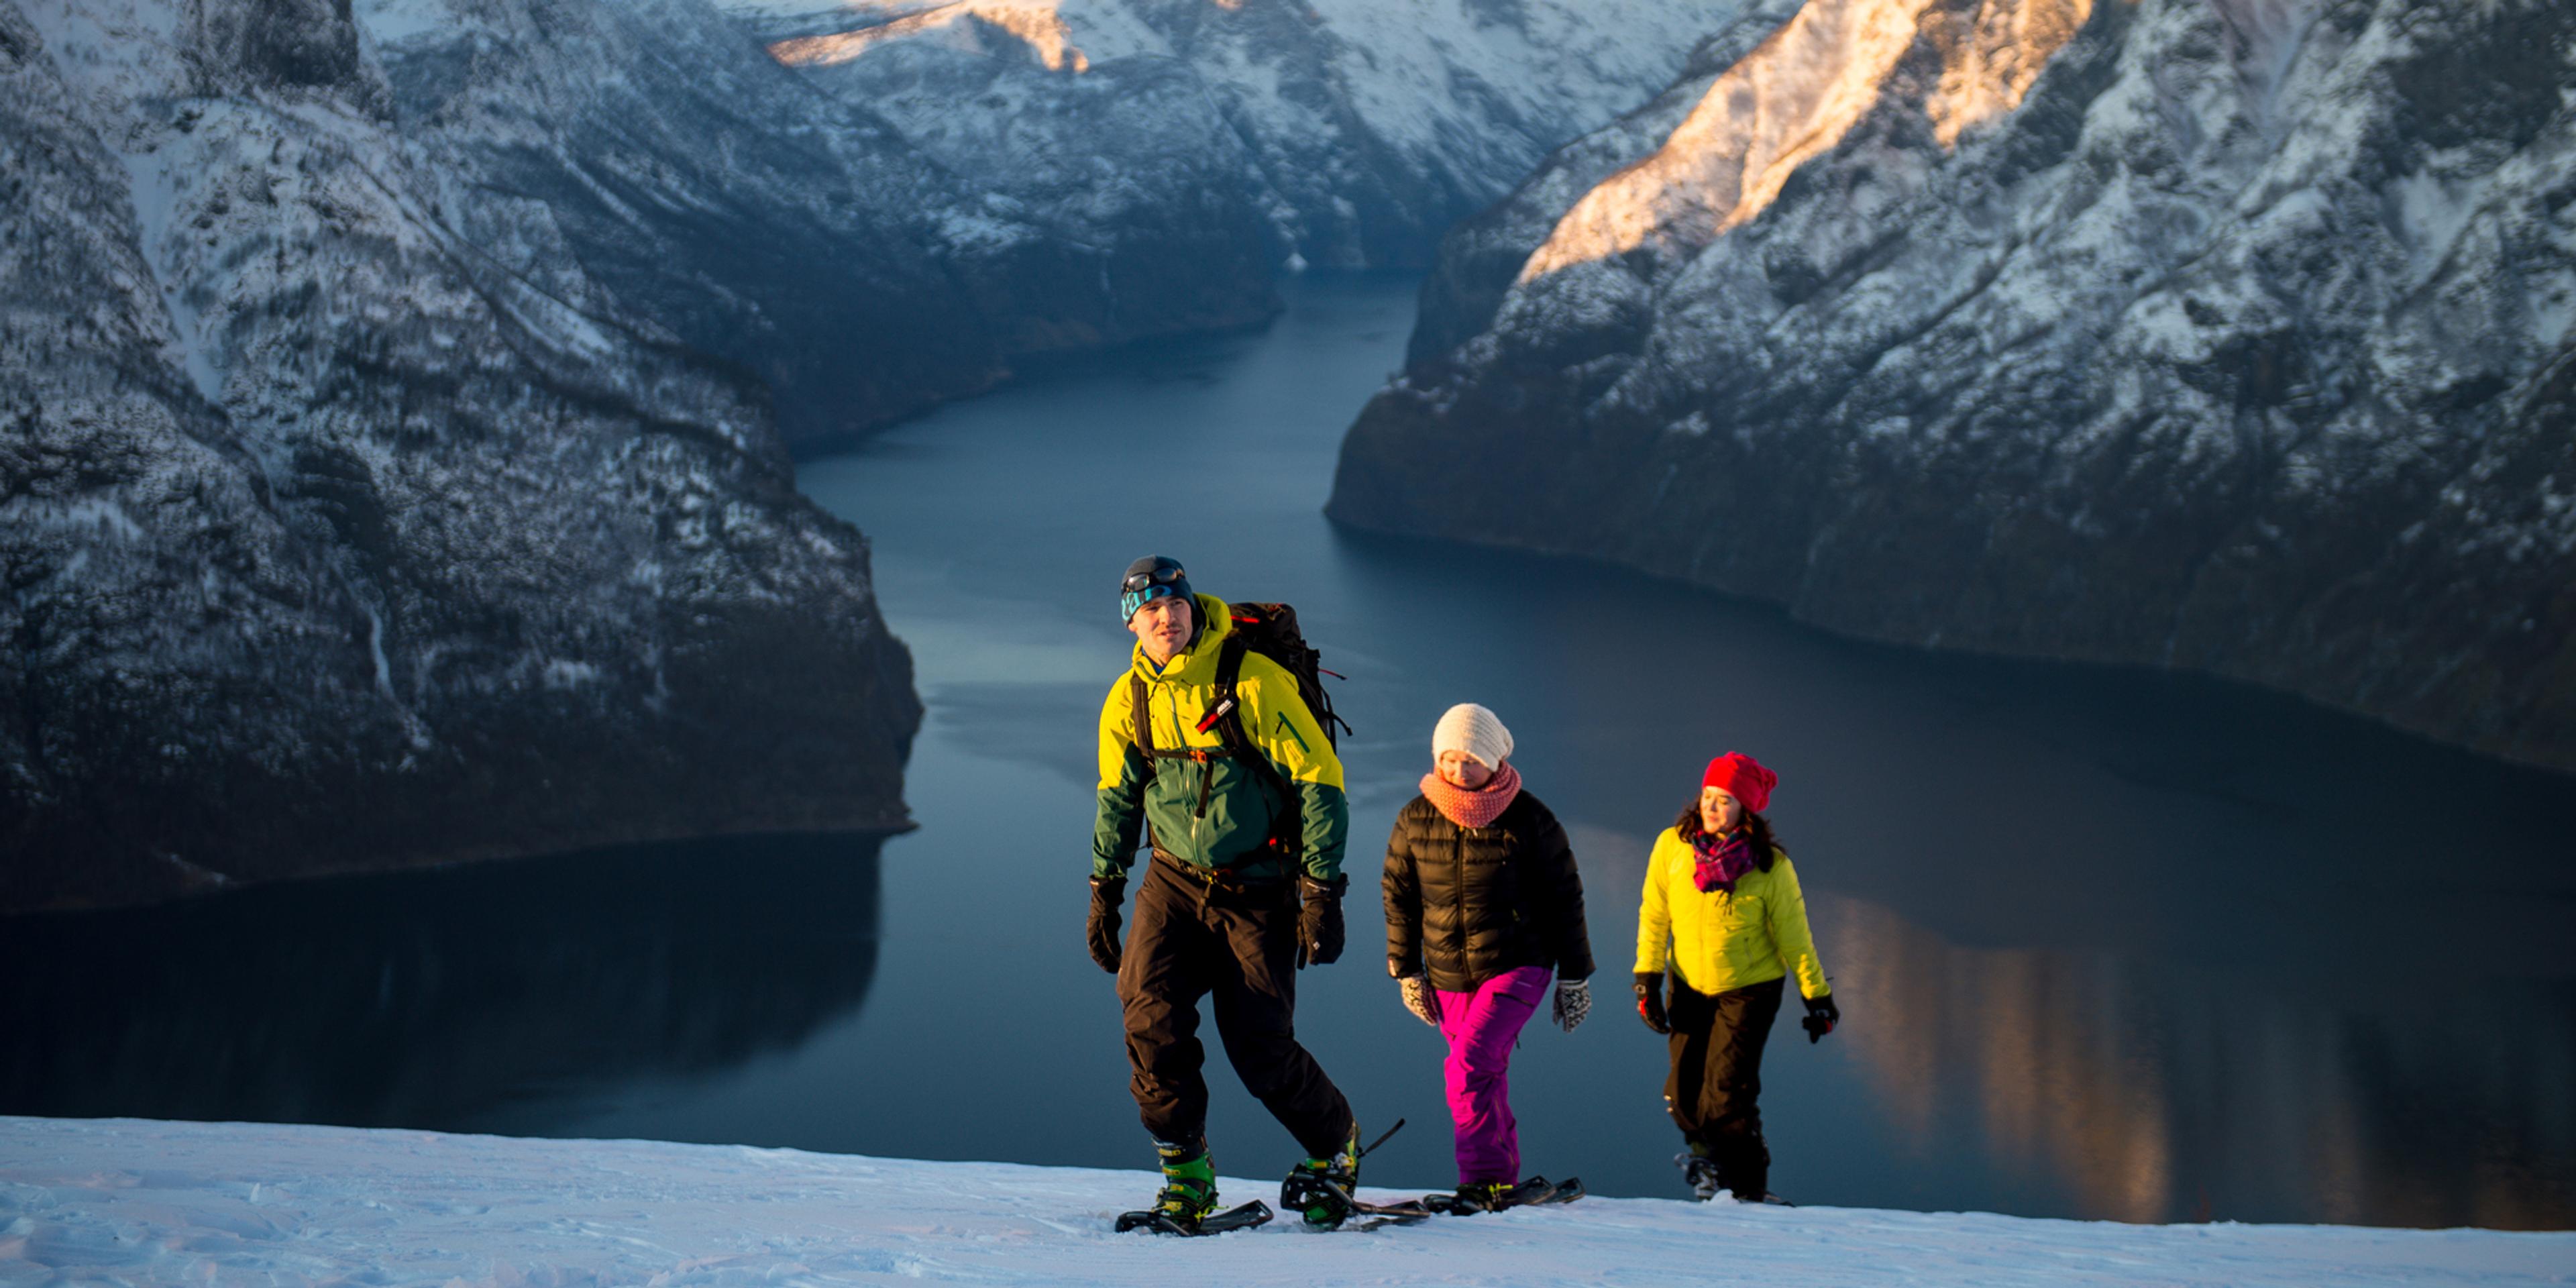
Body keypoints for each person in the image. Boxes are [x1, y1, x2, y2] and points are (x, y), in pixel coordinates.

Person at [1085, 555, 1362, 1228]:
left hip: (1259, 889)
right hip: (1174, 882)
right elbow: (1118, 799)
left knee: (1260, 1047)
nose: (1166, 616)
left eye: (1174, 602)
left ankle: (1336, 1151)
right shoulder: (1130, 700)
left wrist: (1322, 892)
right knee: (1148, 1019)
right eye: (1149, 609)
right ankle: (1187, 1176)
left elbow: (1322, 783)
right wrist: (1105, 890)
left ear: (1190, 605)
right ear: (1131, 624)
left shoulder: (1252, 680)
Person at [1383, 703, 1594, 1211]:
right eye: (1450, 759)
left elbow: (1565, 896)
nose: (1459, 771)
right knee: (1484, 1073)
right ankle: (1502, 1179)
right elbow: (1399, 894)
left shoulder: (1530, 818)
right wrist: (1407, 971)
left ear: (1496, 761)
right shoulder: (1416, 817)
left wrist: (1575, 977)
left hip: (1518, 962)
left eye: (1472, 761)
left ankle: (1481, 1180)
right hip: (1449, 973)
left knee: (1468, 1067)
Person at [1632, 751, 1838, 1203]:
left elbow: (1795, 937)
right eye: (1708, 795)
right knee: (1683, 1097)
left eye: (1724, 800)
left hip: (1749, 990)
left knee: (1726, 1098)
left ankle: (1746, 1191)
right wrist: (1646, 977)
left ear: (1746, 809)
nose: (1711, 806)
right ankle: (1712, 1164)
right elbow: (1655, 914)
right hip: (1688, 982)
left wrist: (1817, 997)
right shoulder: (1672, 846)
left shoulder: (1770, 868)